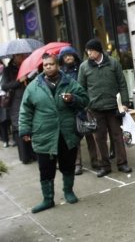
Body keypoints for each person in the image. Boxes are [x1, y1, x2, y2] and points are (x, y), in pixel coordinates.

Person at [19, 53, 89, 213]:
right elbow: (25, 110)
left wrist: (72, 99)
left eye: (51, 64)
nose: (48, 67)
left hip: (67, 133)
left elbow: (85, 99)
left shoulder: (69, 82)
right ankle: (48, 199)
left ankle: (69, 192)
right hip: (43, 133)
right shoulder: (33, 86)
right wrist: (25, 129)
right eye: (45, 65)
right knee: (45, 169)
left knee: (68, 164)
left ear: (57, 65)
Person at [78, 39, 132, 178]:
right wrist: (86, 105)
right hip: (95, 109)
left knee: (118, 136)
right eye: (87, 51)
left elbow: (122, 83)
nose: (89, 53)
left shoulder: (113, 63)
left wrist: (125, 102)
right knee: (99, 138)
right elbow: (80, 88)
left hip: (114, 107)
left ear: (99, 50)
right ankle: (104, 166)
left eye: (91, 50)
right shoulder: (84, 67)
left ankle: (122, 163)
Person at [59, 46, 98, 175]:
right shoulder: (61, 73)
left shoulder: (82, 68)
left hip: (83, 105)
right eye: (65, 56)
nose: (68, 58)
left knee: (89, 134)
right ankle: (77, 164)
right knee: (75, 138)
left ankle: (95, 161)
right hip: (70, 107)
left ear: (74, 56)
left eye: (70, 55)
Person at [1, 53, 36, 163]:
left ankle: (34, 154)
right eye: (19, 56)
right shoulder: (8, 70)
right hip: (16, 102)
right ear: (14, 57)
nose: (22, 58)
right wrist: (19, 81)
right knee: (19, 127)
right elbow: (5, 86)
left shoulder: (28, 67)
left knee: (32, 125)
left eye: (23, 56)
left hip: (29, 99)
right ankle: (25, 156)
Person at [0, 60, 10, 148]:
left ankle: (6, 139)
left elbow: (5, 86)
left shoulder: (4, 71)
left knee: (4, 120)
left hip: (4, 98)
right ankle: (5, 139)